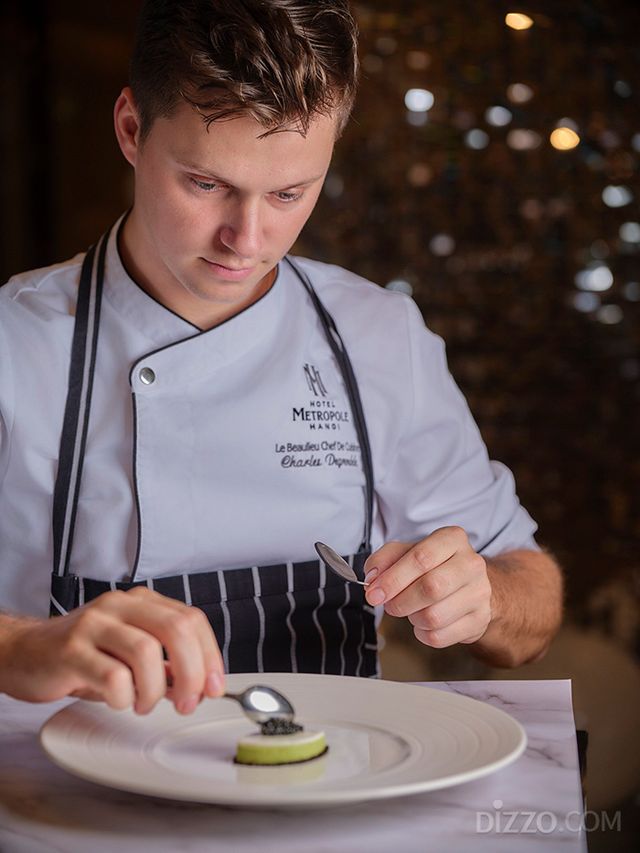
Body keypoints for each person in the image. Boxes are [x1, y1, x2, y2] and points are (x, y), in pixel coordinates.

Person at [0, 0, 562, 716]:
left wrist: (484, 597)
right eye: (207, 184)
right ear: (131, 128)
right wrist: (18, 646)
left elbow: (532, 602)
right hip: (64, 784)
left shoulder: (380, 335)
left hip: (334, 778)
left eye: (289, 193)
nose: (248, 238)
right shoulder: (14, 340)